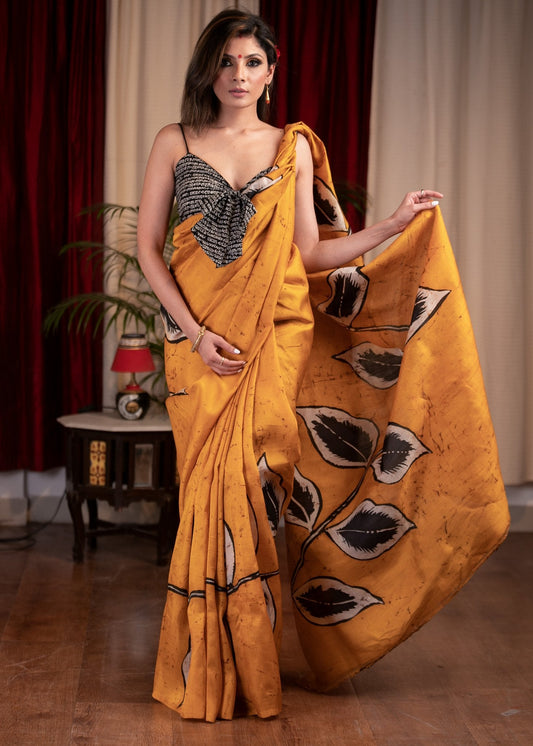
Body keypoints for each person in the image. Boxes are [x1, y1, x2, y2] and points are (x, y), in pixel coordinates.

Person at [138, 9, 508, 722]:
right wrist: (194, 332)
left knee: (253, 485)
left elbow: (309, 254)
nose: (238, 75)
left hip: (275, 334)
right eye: (226, 62)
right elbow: (150, 249)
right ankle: (209, 667)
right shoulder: (174, 141)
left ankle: (249, 668)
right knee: (207, 493)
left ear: (271, 72)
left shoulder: (292, 148)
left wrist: (391, 225)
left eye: (251, 62)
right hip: (198, 343)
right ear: (207, 71)